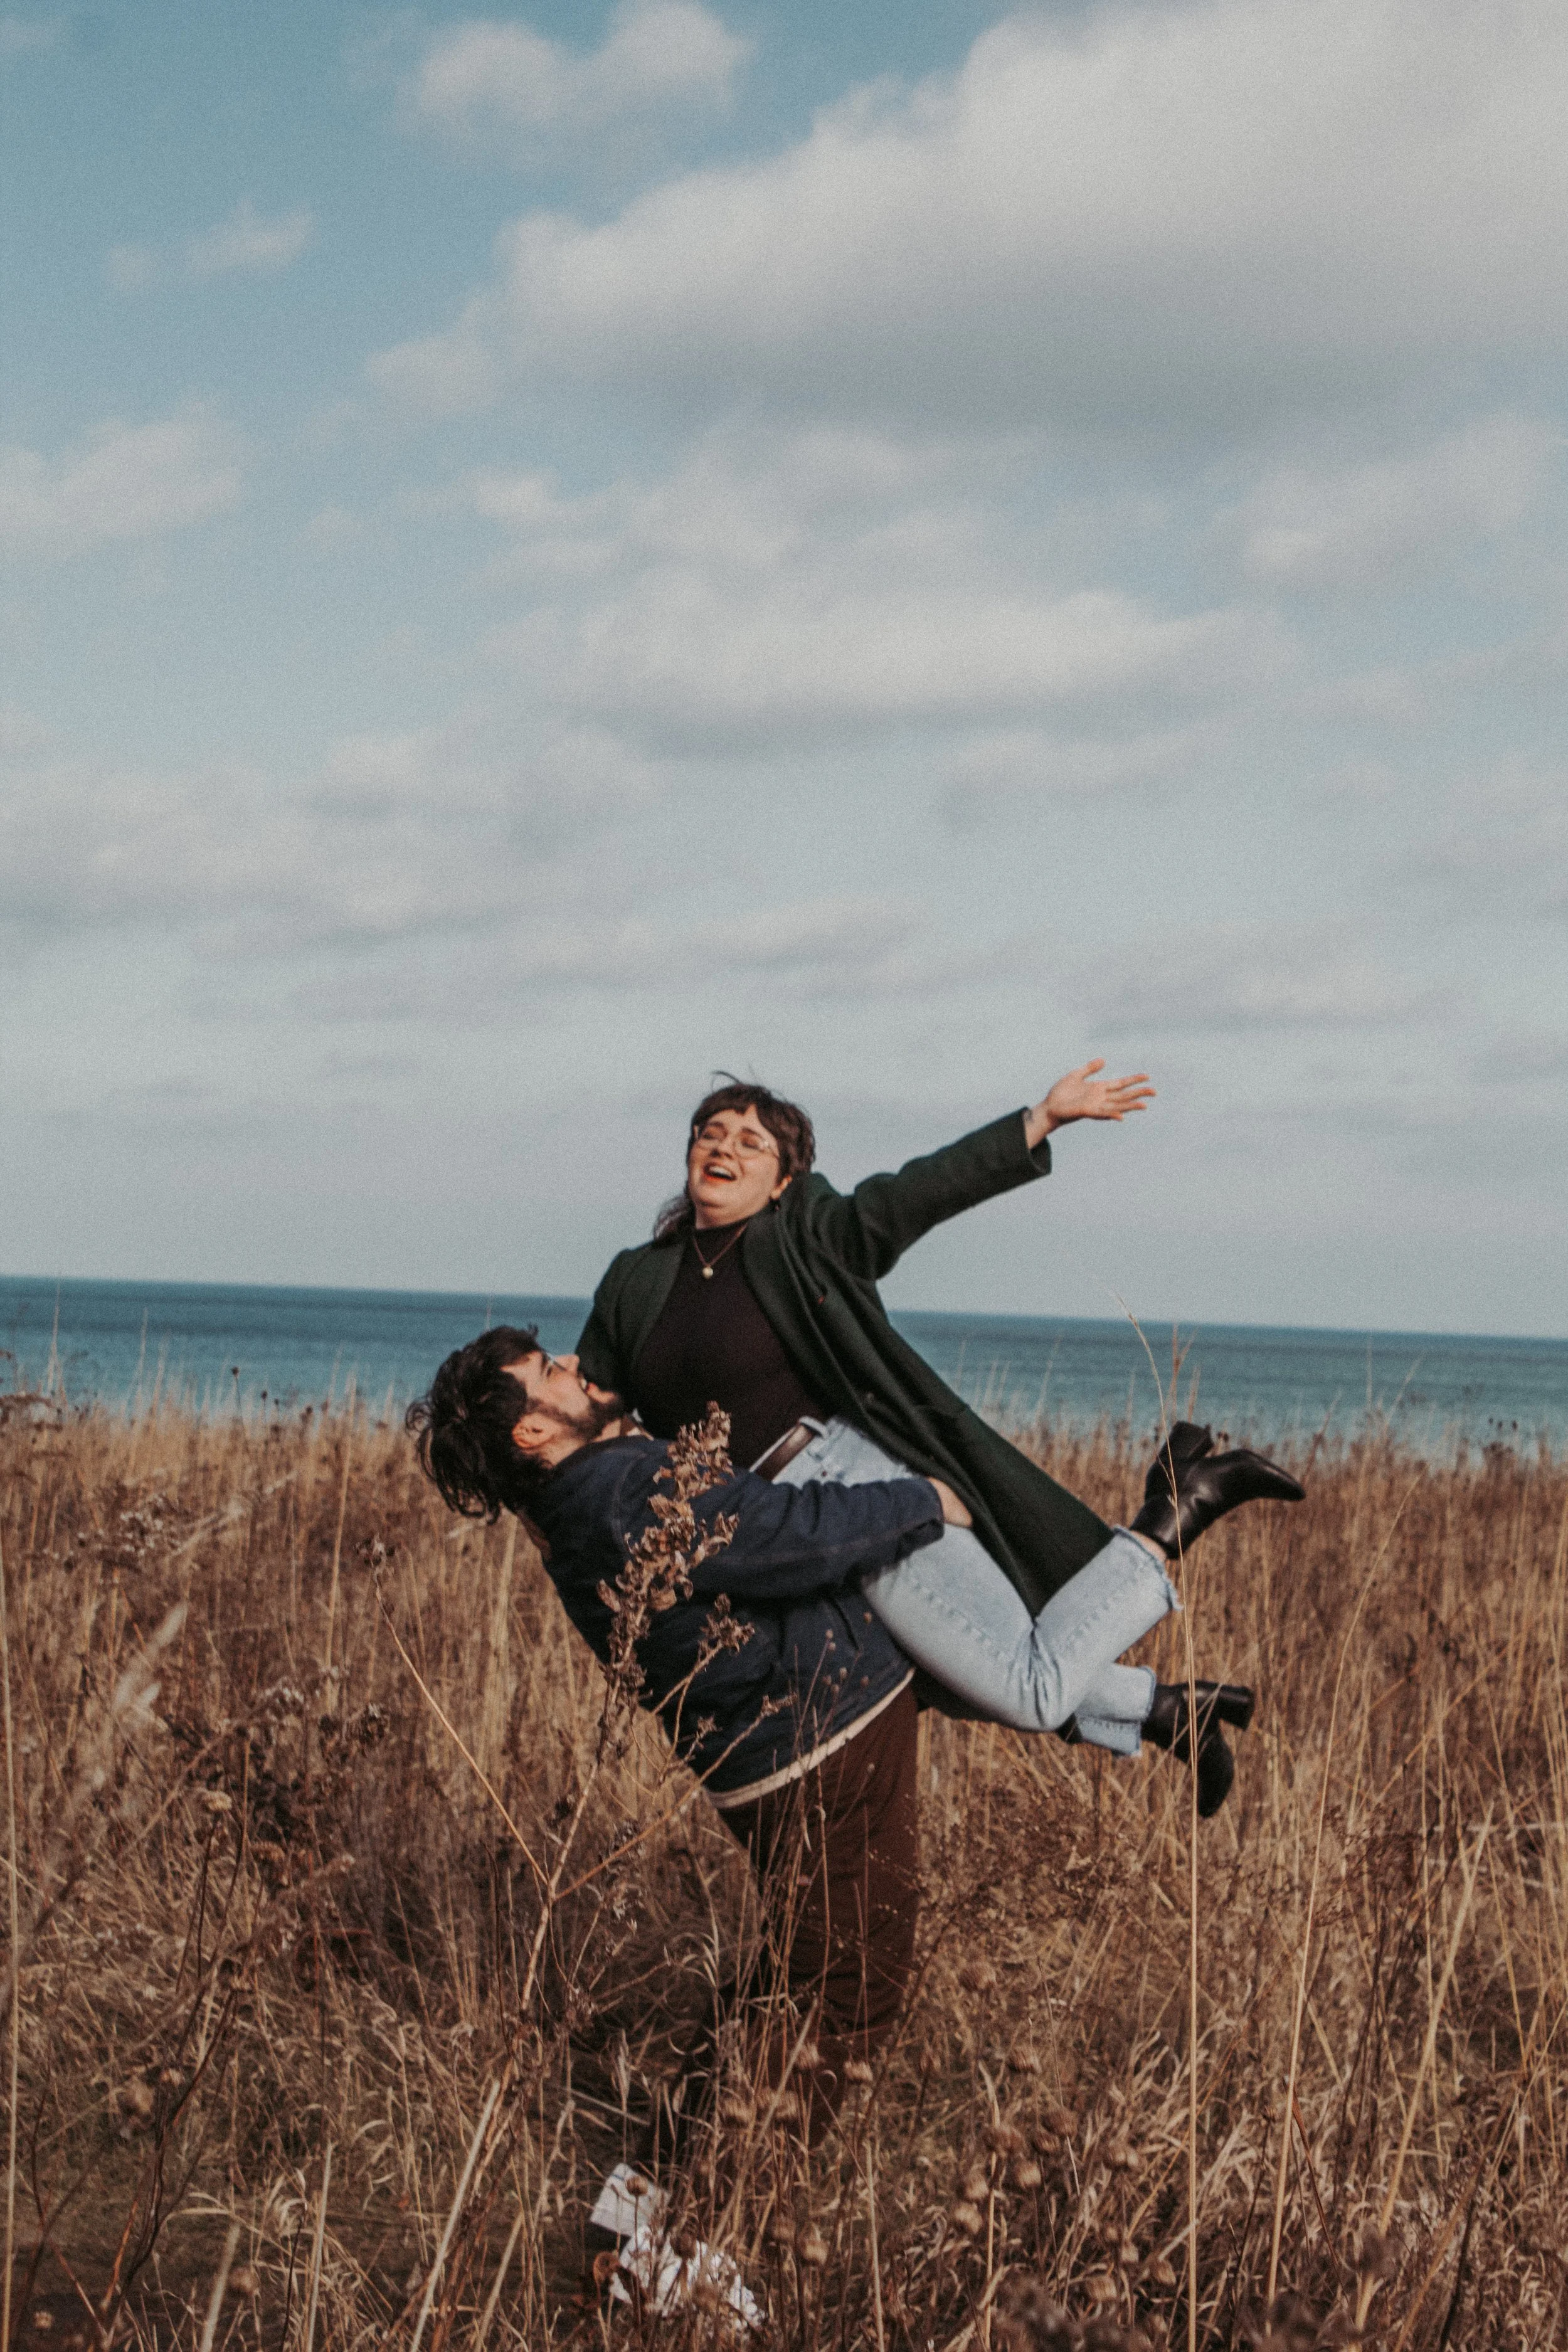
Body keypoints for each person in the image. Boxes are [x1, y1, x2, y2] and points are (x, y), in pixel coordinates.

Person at [576, 1066, 1303, 1804]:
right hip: (762, 1533)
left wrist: (1038, 1120)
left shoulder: (804, 1237)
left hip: (846, 1484)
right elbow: (588, 1404)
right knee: (935, 1675)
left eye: (751, 1141)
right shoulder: (635, 1280)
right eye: (711, 1133)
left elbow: (911, 1195)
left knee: (1026, 1690)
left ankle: (1177, 1510)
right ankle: (1168, 1711)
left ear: (782, 1182)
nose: (724, 1147)